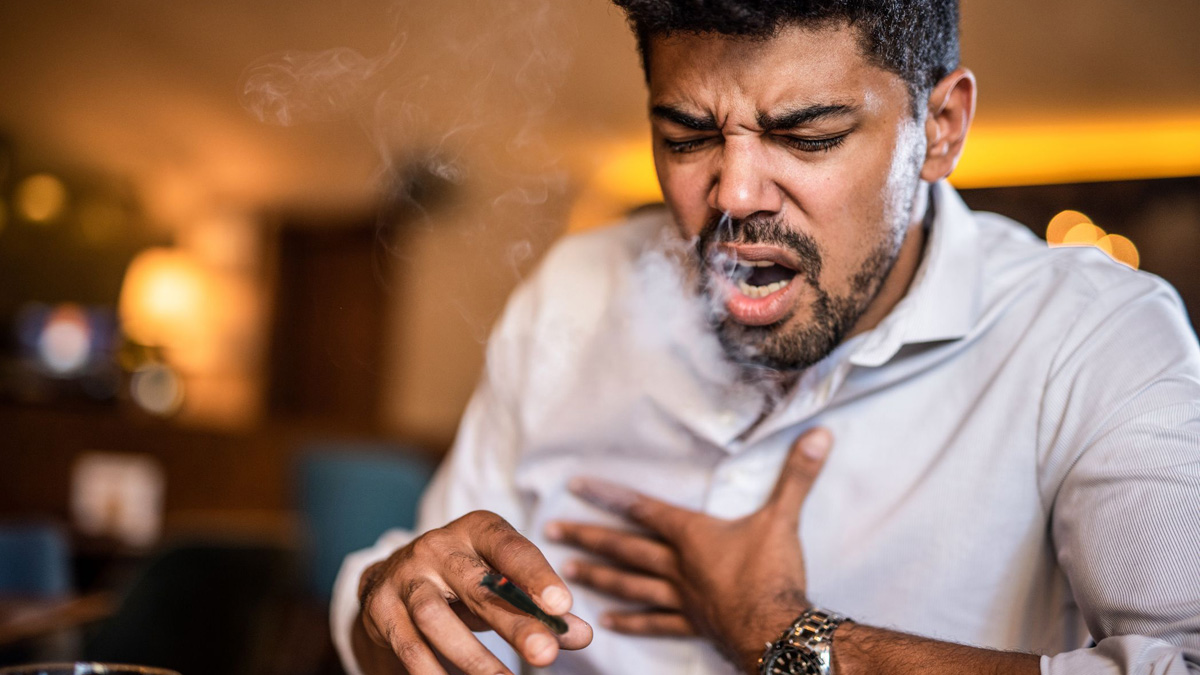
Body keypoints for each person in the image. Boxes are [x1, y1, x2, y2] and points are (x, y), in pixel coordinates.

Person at [332, 2, 1200, 674]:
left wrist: (784, 635)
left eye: (808, 136)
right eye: (686, 137)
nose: (735, 193)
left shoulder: (1093, 335)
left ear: (941, 127)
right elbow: (413, 614)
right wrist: (388, 597)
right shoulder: (575, 288)